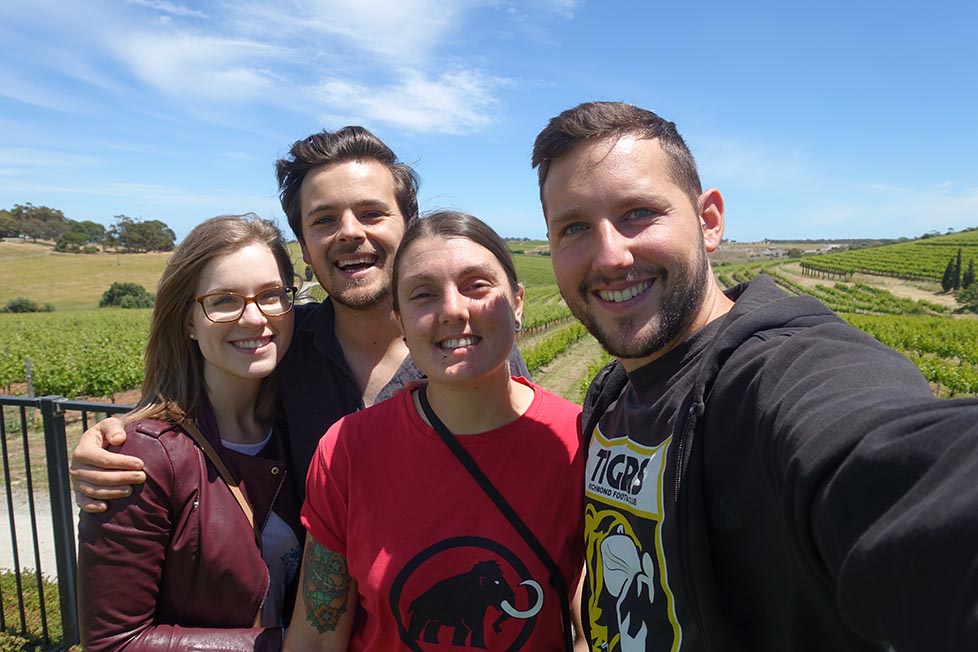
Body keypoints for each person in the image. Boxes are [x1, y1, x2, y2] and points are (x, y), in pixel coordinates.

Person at [531, 100, 978, 651]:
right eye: (573, 226)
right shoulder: (611, 395)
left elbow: (891, 460)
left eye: (638, 213)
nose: (610, 255)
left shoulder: (775, 374)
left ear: (709, 221)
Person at [69, 126, 528, 507]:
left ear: (409, 226)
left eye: (371, 213)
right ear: (305, 247)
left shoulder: (470, 346)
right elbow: (193, 411)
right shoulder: (283, 347)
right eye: (324, 220)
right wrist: (115, 437)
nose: (350, 232)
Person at [285, 211, 586, 652]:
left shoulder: (579, 441)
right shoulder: (347, 451)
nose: (452, 310)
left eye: (476, 285)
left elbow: (593, 630)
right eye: (423, 295)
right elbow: (315, 637)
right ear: (401, 322)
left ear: (517, 301)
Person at [77, 214, 302, 652]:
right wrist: (294, 646)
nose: (255, 318)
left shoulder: (298, 430)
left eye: (271, 295)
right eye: (223, 301)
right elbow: (114, 643)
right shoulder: (142, 455)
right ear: (188, 322)